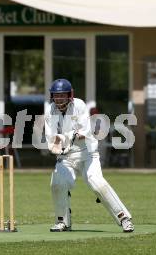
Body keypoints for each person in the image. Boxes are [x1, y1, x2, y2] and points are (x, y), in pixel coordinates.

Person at [45, 79, 134, 233]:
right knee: (57, 183)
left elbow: (83, 133)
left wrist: (66, 137)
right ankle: (63, 221)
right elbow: (52, 140)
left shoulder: (79, 105)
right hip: (66, 156)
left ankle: (124, 218)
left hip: (87, 153)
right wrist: (57, 146)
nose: (59, 99)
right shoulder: (50, 111)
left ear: (69, 95)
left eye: (62, 95)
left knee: (97, 183)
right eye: (56, 95)